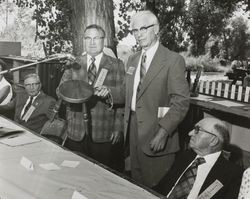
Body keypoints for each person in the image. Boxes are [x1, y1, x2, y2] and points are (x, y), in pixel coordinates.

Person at [123, 10, 190, 187]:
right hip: (133, 133)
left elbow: (181, 102)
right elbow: (127, 93)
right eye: (135, 30)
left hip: (157, 134)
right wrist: (105, 91)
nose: (139, 34)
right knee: (136, 185)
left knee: (156, 187)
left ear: (156, 28)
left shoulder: (172, 60)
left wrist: (163, 132)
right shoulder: (132, 59)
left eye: (143, 28)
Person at [58, 24, 125, 171]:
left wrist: (118, 128)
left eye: (96, 38)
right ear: (84, 40)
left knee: (102, 177)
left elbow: (124, 96)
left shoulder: (116, 65)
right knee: (76, 174)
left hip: (104, 132)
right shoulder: (74, 63)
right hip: (75, 131)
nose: (92, 42)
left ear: (103, 40)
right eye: (88, 38)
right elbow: (60, 91)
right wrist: (76, 91)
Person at [154, 117, 243, 199]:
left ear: (213, 141)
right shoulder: (185, 156)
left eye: (197, 130)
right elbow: (160, 188)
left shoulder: (233, 175)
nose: (190, 133)